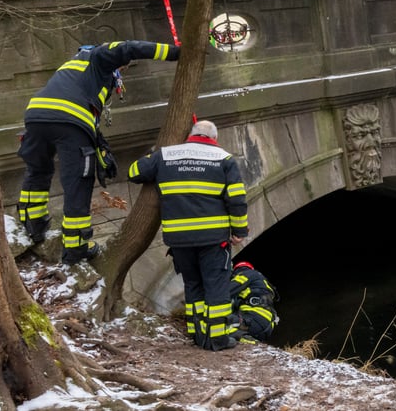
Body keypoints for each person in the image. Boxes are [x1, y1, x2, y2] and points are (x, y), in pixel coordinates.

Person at [16, 40, 180, 265]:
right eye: (123, 67)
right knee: (78, 181)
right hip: (70, 120)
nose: (123, 68)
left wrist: (98, 142)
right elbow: (128, 48)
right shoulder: (98, 56)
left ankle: (33, 227)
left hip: (36, 116)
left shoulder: (72, 67)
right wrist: (175, 52)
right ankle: (76, 247)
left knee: (38, 170)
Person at [127, 120, 249, 351]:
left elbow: (133, 172)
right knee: (216, 286)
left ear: (191, 134)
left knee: (193, 284)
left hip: (179, 239)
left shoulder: (165, 155)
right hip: (213, 238)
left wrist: (154, 155)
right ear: (214, 138)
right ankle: (217, 339)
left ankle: (198, 334)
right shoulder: (223, 159)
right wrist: (239, 231)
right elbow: (237, 199)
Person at [230, 261, 280, 343]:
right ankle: (247, 339)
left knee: (218, 324)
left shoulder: (247, 274)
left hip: (252, 320)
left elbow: (226, 291)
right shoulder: (262, 283)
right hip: (266, 326)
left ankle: (241, 337)